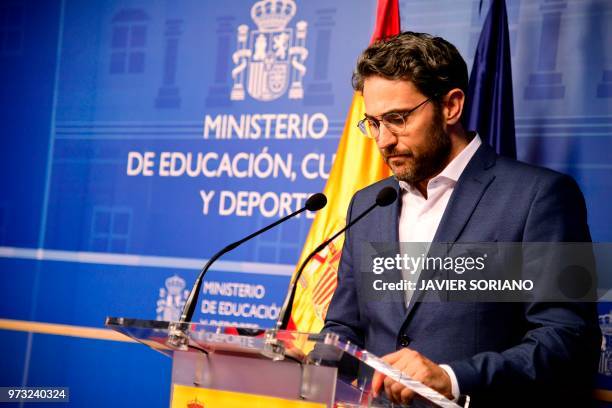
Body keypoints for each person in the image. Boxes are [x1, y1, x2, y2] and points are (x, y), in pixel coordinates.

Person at [322, 31, 600, 407]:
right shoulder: (370, 203)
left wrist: (452, 378)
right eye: (373, 123)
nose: (383, 140)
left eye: (397, 119)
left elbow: (568, 340)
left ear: (451, 106)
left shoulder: (538, 197)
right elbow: (345, 327)